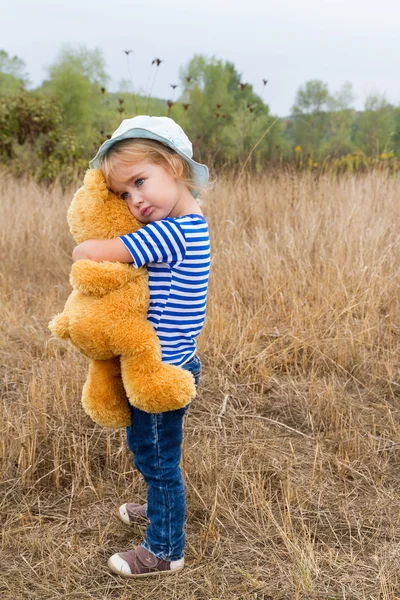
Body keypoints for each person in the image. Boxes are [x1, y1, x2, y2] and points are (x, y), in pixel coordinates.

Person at [72, 115, 211, 578]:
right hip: (173, 360)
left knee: (157, 459)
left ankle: (165, 549)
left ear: (173, 165)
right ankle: (159, 508)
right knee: (153, 450)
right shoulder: (193, 225)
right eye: (125, 195)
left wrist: (82, 249)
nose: (135, 202)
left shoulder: (175, 233)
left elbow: (98, 251)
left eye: (139, 182)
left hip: (160, 369)